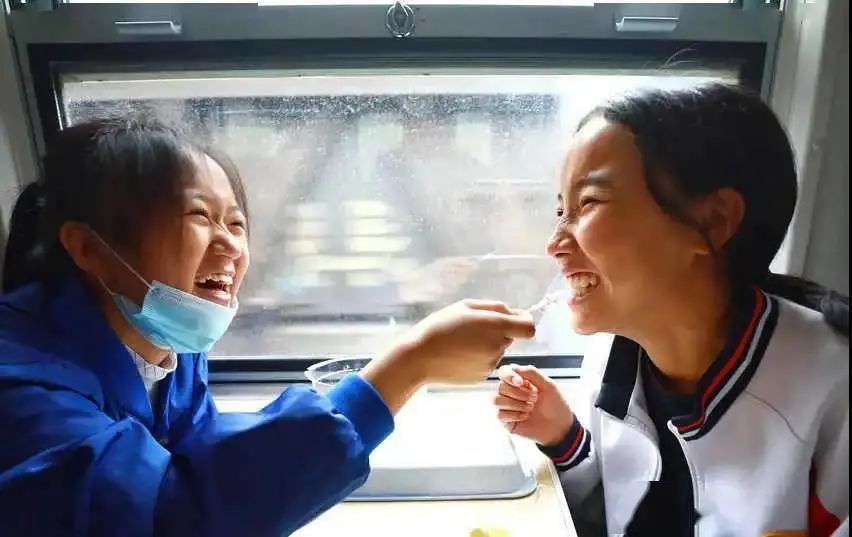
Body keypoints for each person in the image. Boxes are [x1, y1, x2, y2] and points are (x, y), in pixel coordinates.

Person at [0, 117, 535, 537]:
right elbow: (170, 513)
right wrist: (409, 366)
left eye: (236, 223)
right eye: (199, 217)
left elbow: (204, 461)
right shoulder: (21, 386)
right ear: (89, 247)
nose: (230, 244)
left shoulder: (169, 349)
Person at [493, 84, 849, 536]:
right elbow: (616, 511)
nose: (555, 243)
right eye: (561, 210)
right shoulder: (612, 356)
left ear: (712, 222)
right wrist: (564, 438)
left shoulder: (833, 388)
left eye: (589, 203)